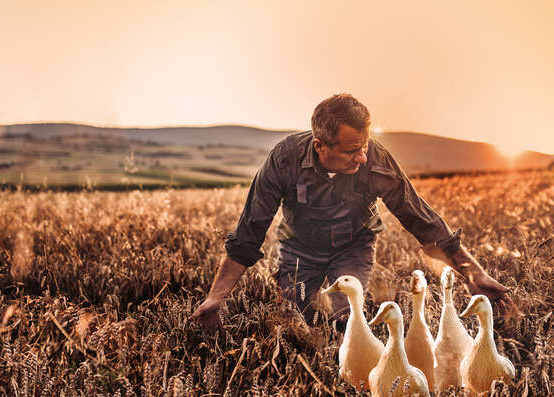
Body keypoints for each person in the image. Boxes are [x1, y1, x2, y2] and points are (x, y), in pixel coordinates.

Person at [192, 94, 510, 333]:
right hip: (298, 250)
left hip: (353, 247)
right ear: (320, 146)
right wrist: (216, 298)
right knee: (290, 327)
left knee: (349, 323)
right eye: (351, 150)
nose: (362, 157)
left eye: (365, 145)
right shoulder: (284, 160)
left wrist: (474, 274)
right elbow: (249, 231)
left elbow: (421, 219)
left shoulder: (375, 159)